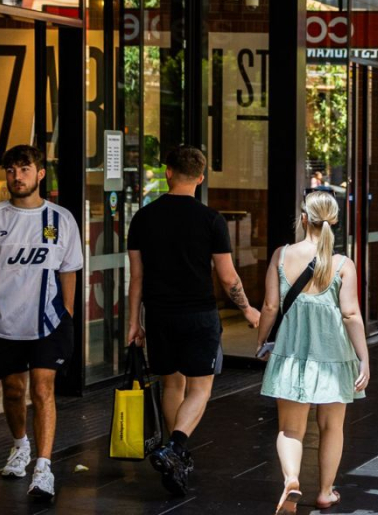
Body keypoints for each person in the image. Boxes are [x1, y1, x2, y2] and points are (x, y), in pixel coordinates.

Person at [126, 146, 262, 495]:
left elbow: (136, 277)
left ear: (168, 172)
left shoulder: (143, 218)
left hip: (159, 314)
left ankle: (176, 458)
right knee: (200, 388)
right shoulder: (211, 219)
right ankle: (174, 447)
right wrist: (248, 310)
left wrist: (133, 322)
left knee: (172, 385)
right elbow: (228, 277)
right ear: (200, 178)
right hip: (199, 315)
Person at [0, 144, 83, 500]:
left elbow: (70, 269)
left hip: (49, 323)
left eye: (25, 169)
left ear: (40, 174)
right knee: (13, 390)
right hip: (3, 324)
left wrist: (66, 312)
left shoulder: (61, 219)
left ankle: (43, 469)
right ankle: (20, 446)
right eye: (11, 170)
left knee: (43, 390)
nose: (17, 176)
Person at [258, 190, 370, 514]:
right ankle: (324, 492)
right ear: (334, 221)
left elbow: (270, 306)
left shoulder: (282, 256)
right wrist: (364, 357)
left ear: (304, 218)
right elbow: (351, 314)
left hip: (292, 353)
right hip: (334, 356)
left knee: (290, 428)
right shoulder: (342, 264)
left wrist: (262, 340)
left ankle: (292, 480)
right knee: (331, 427)